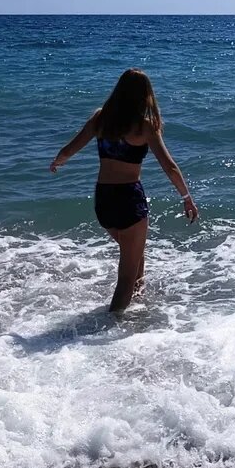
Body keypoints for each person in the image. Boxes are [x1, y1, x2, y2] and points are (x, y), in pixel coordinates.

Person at [49, 69, 198, 312]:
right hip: (129, 199)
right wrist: (186, 197)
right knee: (126, 278)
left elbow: (69, 149)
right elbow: (169, 166)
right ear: (145, 95)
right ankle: (113, 325)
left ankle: (137, 306)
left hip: (104, 200)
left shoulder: (100, 119)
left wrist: (58, 161)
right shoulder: (145, 126)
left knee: (135, 254)